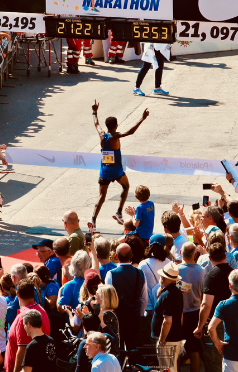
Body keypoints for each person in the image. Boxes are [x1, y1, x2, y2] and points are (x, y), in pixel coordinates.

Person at [91, 99, 149, 228]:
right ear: (116, 126)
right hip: (116, 170)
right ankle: (118, 212)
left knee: (101, 196)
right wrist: (142, 119)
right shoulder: (115, 136)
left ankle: (93, 220)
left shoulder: (102, 135)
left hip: (105, 170)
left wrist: (94, 111)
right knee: (126, 187)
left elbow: (96, 123)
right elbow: (130, 132)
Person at [194, 242, 232, 372]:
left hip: (217, 324)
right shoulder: (234, 273)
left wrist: (200, 327)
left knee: (215, 361)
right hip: (235, 321)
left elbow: (206, 305)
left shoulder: (211, 276)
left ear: (209, 258)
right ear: (225, 256)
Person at [104, 243, 148, 351]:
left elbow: (107, 298)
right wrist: (140, 313)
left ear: (117, 256)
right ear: (131, 256)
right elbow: (144, 298)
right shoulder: (140, 273)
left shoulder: (111, 274)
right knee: (132, 347)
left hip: (117, 318)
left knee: (118, 348)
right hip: (134, 316)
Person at [5, 279, 50, 372]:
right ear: (34, 293)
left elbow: (23, 350)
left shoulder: (25, 317)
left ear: (18, 295)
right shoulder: (42, 311)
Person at [177, 243, 205, 372]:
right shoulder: (202, 271)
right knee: (194, 351)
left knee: (175, 351)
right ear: (195, 254)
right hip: (195, 314)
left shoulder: (175, 270)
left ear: (181, 251)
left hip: (178, 314)